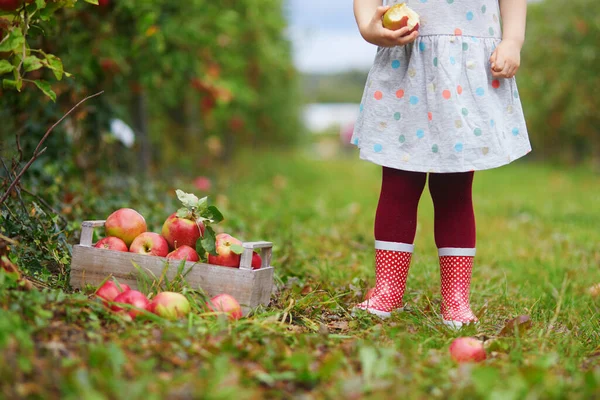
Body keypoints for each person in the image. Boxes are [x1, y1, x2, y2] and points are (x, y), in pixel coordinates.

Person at [351, 0, 531, 328]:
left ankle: (456, 297)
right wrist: (368, 25)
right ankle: (388, 289)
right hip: (407, 62)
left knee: (455, 188)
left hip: (465, 69)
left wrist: (512, 40)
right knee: (398, 184)